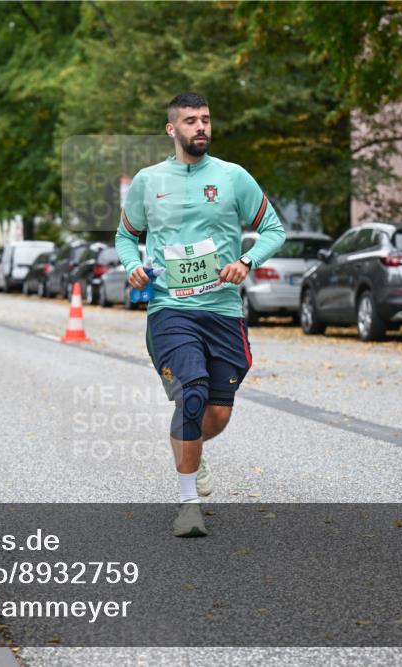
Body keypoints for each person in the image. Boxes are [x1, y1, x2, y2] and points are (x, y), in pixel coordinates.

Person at [115, 92, 286, 537]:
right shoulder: (149, 181)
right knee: (191, 393)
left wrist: (246, 261)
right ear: (172, 129)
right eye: (191, 121)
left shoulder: (233, 177)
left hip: (223, 310)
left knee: (217, 413)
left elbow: (273, 229)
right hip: (172, 309)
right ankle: (188, 503)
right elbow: (124, 234)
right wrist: (133, 266)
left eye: (206, 119)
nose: (201, 127)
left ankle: (191, 444)